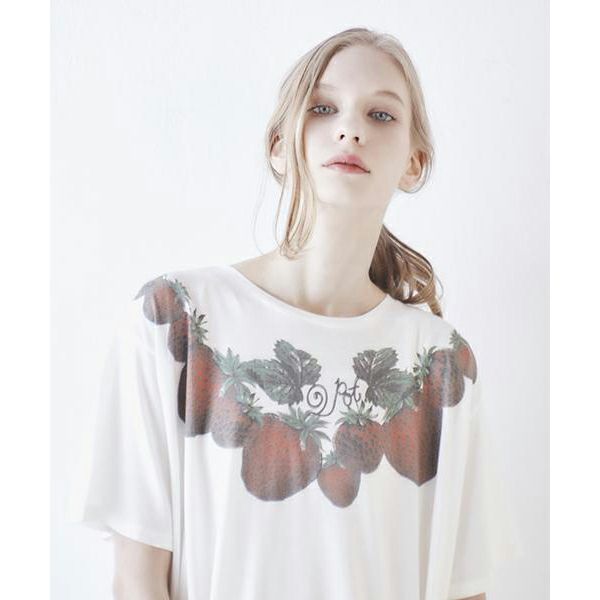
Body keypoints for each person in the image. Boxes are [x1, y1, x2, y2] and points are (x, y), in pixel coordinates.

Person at [68, 27, 523, 600]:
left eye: (381, 115)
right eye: (324, 107)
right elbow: (138, 581)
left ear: (414, 162)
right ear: (280, 145)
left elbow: (464, 590)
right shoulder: (174, 321)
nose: (350, 129)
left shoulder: (441, 365)